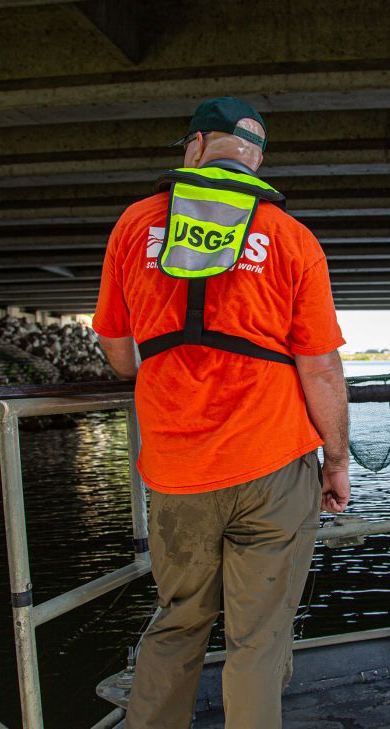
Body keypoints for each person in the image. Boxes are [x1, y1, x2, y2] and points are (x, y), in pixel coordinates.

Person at [92, 96, 351, 729]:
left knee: (178, 623)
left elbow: (120, 355)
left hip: (178, 470)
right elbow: (319, 367)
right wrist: (337, 458)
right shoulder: (291, 238)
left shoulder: (135, 225)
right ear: (256, 160)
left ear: (196, 147)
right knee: (257, 641)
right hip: (274, 466)